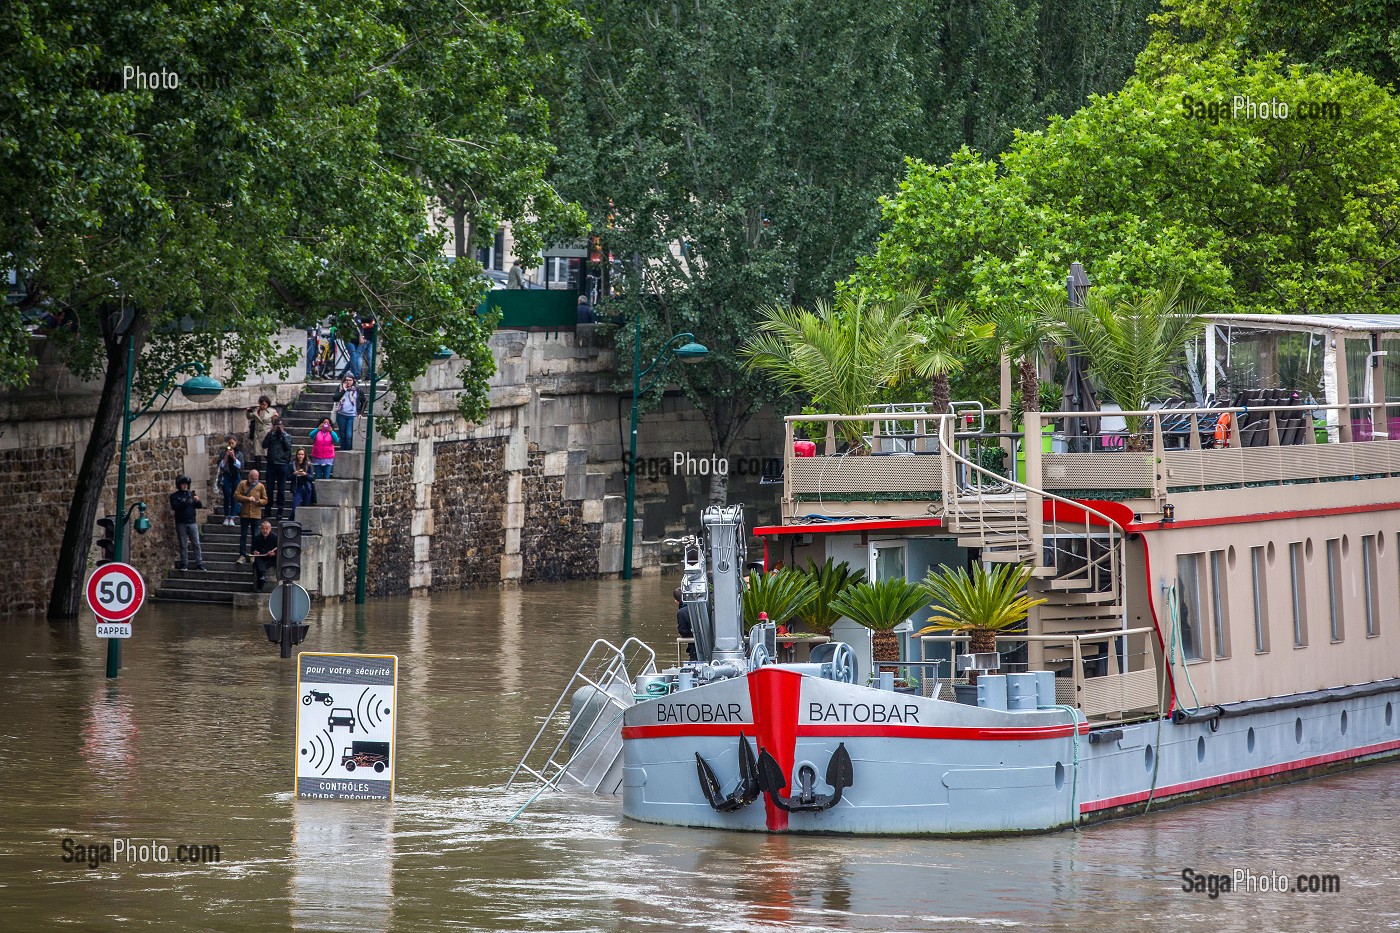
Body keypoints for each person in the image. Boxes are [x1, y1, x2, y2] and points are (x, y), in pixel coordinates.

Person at [169, 476, 206, 571]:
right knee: (183, 544)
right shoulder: (175, 496)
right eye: (183, 484)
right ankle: (184, 563)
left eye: (186, 484)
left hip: (192, 522)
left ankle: (199, 563)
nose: (185, 486)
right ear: (179, 485)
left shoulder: (191, 494)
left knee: (196, 543)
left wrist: (197, 500)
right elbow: (175, 506)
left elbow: (199, 505)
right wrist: (185, 502)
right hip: (181, 522)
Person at [262, 415, 294, 519]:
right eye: (276, 425)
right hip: (271, 464)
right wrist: (270, 432)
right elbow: (264, 445)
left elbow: (288, 447)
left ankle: (280, 511)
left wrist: (283, 434)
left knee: (281, 489)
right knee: (269, 489)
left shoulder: (287, 436)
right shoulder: (271, 435)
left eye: (279, 425)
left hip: (283, 464)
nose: (278, 427)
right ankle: (268, 510)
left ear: (283, 426)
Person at [234, 469, 267, 564]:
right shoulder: (242, 484)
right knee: (243, 535)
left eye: (256, 479)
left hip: (256, 514)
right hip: (245, 513)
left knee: (255, 535)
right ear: (249, 477)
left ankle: (253, 554)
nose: (254, 481)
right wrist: (247, 499)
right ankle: (242, 555)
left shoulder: (260, 486)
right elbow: (236, 496)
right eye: (252, 478)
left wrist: (258, 501)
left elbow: (265, 500)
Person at [333, 375, 367, 450]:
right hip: (341, 414)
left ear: (353, 381)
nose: (348, 382)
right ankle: (343, 450)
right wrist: (344, 390)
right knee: (342, 435)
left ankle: (348, 450)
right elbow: (335, 398)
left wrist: (360, 412)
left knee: (348, 435)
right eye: (346, 380)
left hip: (352, 415)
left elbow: (364, 402)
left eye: (350, 380)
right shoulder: (340, 388)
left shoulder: (357, 390)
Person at [246, 395, 277, 471]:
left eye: (264, 404)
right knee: (257, 454)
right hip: (258, 434)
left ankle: (273, 467)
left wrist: (275, 418)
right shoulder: (257, 411)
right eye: (261, 404)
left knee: (266, 452)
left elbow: (276, 420)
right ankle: (257, 471)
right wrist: (248, 411)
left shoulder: (272, 411)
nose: (263, 406)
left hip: (266, 434)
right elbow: (249, 417)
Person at [216, 436, 243, 526]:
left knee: (234, 496)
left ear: (236, 443)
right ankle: (226, 516)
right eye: (229, 443)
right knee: (226, 495)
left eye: (232, 443)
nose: (231, 445)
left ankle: (232, 516)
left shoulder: (239, 453)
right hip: (226, 475)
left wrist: (234, 457)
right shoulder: (223, 453)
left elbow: (241, 466)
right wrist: (226, 457)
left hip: (235, 475)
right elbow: (221, 465)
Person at [249, 519, 278, 592]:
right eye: (263, 529)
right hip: (261, 557)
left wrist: (274, 553)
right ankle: (260, 581)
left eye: (266, 529)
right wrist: (255, 551)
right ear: (261, 529)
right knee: (258, 562)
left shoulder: (275, 537)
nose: (265, 531)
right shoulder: (257, 537)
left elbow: (280, 550)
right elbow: (253, 548)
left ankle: (262, 576)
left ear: (270, 529)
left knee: (263, 564)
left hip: (271, 559)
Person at [290, 448, 315, 519]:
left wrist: (305, 474)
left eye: (302, 454)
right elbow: (288, 477)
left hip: (307, 488)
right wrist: (294, 474)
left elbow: (312, 478)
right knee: (294, 508)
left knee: (306, 509)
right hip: (297, 488)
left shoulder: (308, 464)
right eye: (299, 454)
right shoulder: (293, 464)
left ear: (304, 455)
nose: (300, 456)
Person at [676, 587, 697, 661]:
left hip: (694, 647)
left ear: (677, 602)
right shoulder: (701, 606)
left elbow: (683, 632)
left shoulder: (682, 613)